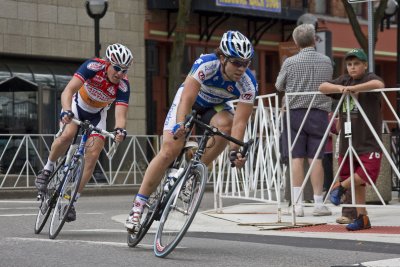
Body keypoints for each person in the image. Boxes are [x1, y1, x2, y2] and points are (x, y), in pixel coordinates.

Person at [125, 30, 258, 230]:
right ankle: (137, 207)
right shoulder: (206, 64)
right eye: (236, 62)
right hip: (191, 101)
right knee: (169, 150)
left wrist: (234, 151)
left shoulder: (248, 83)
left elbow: (239, 122)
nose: (241, 68)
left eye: (246, 63)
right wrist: (180, 125)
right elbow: (187, 98)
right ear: (222, 57)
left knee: (226, 125)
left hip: (215, 107)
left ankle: (192, 173)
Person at [35, 43, 133, 222]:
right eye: (117, 68)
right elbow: (68, 90)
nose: (120, 73)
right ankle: (47, 170)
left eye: (124, 71)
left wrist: (120, 129)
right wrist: (66, 110)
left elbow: (120, 113)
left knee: (93, 153)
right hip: (77, 106)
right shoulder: (93, 67)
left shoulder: (123, 86)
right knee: (67, 135)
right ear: (108, 63)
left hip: (97, 115)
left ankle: (71, 201)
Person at [319, 48, 385, 231]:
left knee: (367, 172)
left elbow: (379, 85)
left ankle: (339, 187)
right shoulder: (344, 80)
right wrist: (341, 88)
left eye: (357, 64)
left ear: (365, 65)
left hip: (368, 139)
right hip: (348, 140)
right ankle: (362, 217)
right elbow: (322, 87)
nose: (353, 67)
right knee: (357, 183)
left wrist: (355, 89)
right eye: (349, 64)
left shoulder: (370, 78)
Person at [275, 23, 333, 217]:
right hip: (318, 113)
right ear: (314, 39)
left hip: (294, 113)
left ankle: (297, 205)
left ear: (295, 41)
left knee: (296, 158)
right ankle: (318, 203)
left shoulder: (290, 62)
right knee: (317, 158)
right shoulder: (326, 61)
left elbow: (278, 85)